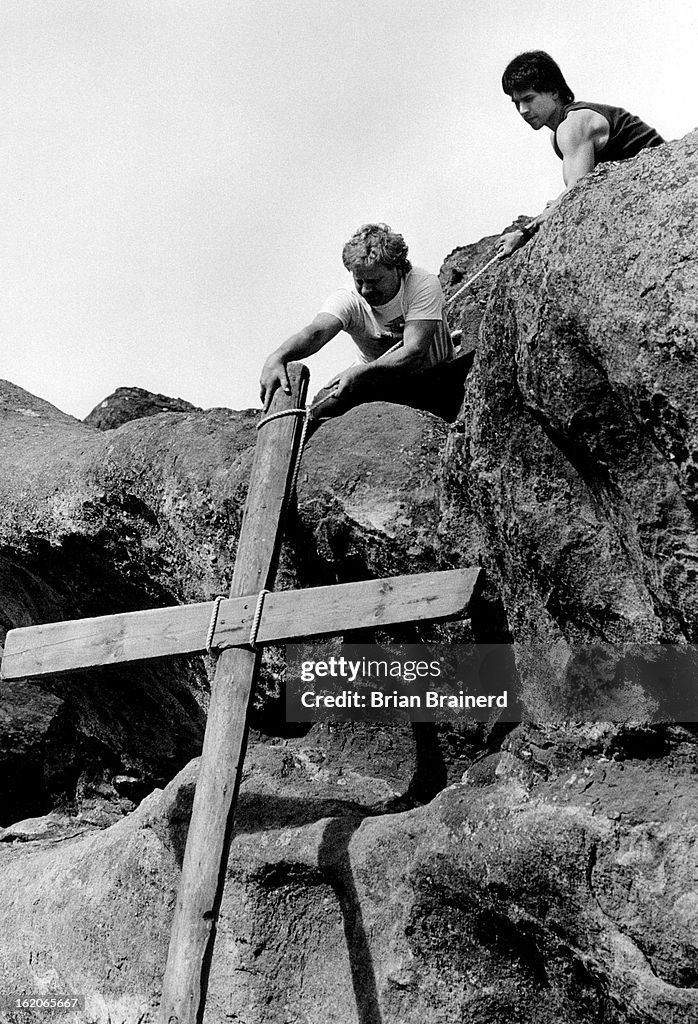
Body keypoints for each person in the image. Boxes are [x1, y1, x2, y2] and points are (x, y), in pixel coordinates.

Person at [259, 223, 465, 424]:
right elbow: (316, 332)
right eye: (360, 281)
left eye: (374, 281)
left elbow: (414, 352)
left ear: (398, 268)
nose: (366, 290)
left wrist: (362, 373)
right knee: (321, 407)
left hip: (434, 374)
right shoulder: (348, 298)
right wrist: (278, 356)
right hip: (374, 382)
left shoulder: (421, 285)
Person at [498, 51, 664, 257]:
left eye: (528, 99)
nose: (522, 110)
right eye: (516, 103)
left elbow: (575, 194)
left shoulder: (573, 125)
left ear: (553, 91)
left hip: (660, 186)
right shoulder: (559, 135)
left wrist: (524, 234)